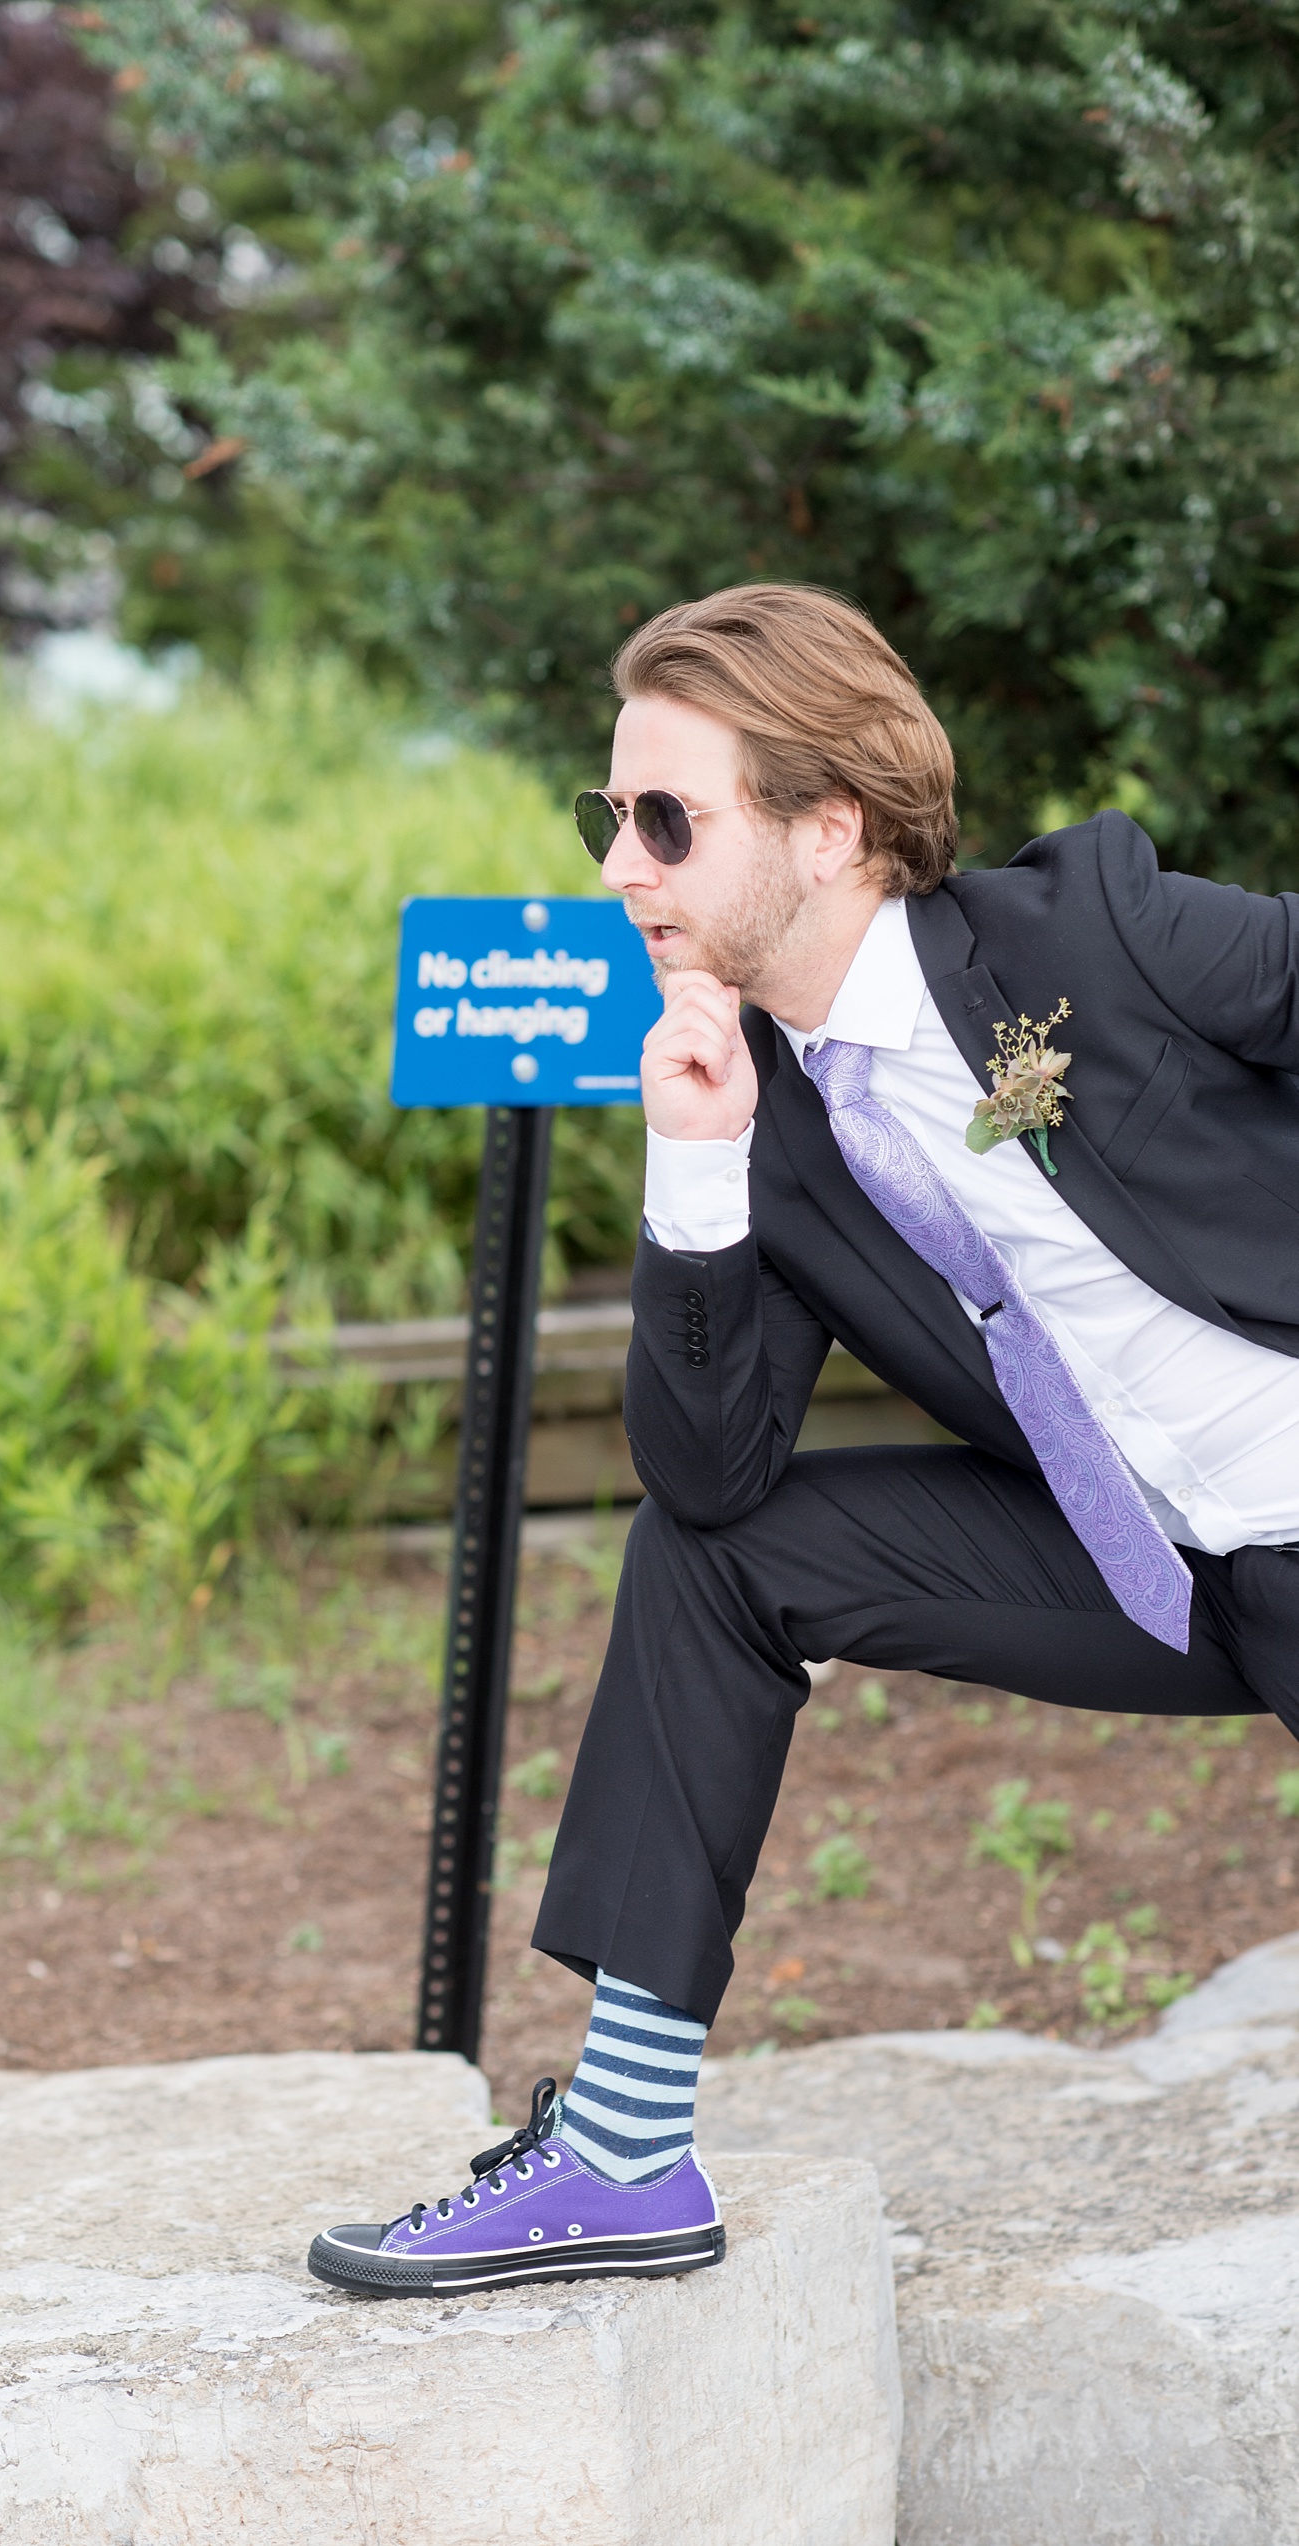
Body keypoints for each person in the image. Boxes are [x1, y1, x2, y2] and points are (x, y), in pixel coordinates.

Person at [309, 581, 1299, 2300]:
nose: (620, 865)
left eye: (666, 819)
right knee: (715, 1557)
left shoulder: (1090, 930)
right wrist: (693, 1167)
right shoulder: (762, 1114)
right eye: (605, 817)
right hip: (1165, 1572)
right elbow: (711, 1474)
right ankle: (622, 2149)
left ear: (829, 827)